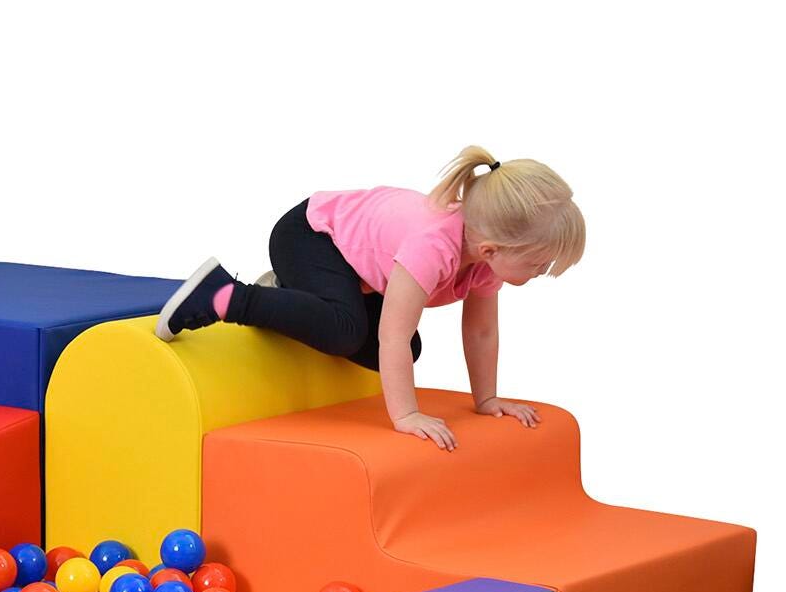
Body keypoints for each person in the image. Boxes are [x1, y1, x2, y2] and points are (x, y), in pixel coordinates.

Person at [154, 145, 585, 450]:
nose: (542, 273)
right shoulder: (433, 247)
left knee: (408, 350)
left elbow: (481, 330)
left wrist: (486, 401)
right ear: (492, 250)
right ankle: (226, 296)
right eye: (538, 264)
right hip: (310, 236)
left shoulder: (484, 259)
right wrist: (406, 415)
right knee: (348, 332)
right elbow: (390, 335)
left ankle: (288, 296)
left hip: (353, 268)